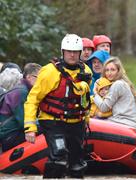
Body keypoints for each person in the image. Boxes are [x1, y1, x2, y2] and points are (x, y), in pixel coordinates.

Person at [24, 34, 92, 179]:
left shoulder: (86, 71)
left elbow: (85, 101)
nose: (72, 55)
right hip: (52, 121)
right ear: (63, 52)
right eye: (69, 51)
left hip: (76, 122)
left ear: (80, 53)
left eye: (75, 52)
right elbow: (33, 98)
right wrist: (30, 127)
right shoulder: (50, 72)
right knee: (59, 157)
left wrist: (86, 121)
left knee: (77, 164)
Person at [0, 63, 41, 152]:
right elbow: (25, 122)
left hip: (11, 135)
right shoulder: (21, 92)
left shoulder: (23, 90)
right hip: (10, 137)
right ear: (29, 77)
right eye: (39, 78)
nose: (41, 82)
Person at [93, 57, 136, 129]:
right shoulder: (120, 83)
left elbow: (104, 107)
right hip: (123, 122)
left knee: (90, 124)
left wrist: (95, 93)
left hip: (123, 123)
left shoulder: (118, 84)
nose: (109, 73)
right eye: (107, 70)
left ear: (118, 71)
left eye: (113, 70)